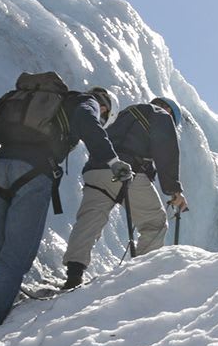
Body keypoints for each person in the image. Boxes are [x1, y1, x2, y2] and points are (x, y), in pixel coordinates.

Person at [0, 75, 122, 342]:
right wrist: (112, 160)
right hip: (33, 173)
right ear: (106, 108)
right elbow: (88, 122)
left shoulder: (53, 101)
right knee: (15, 259)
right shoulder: (88, 102)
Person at [60, 96, 189, 289]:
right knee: (154, 224)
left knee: (90, 220)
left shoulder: (124, 114)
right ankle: (140, 276)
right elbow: (166, 149)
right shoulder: (160, 115)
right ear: (169, 112)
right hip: (129, 171)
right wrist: (174, 190)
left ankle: (74, 273)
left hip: (97, 171)